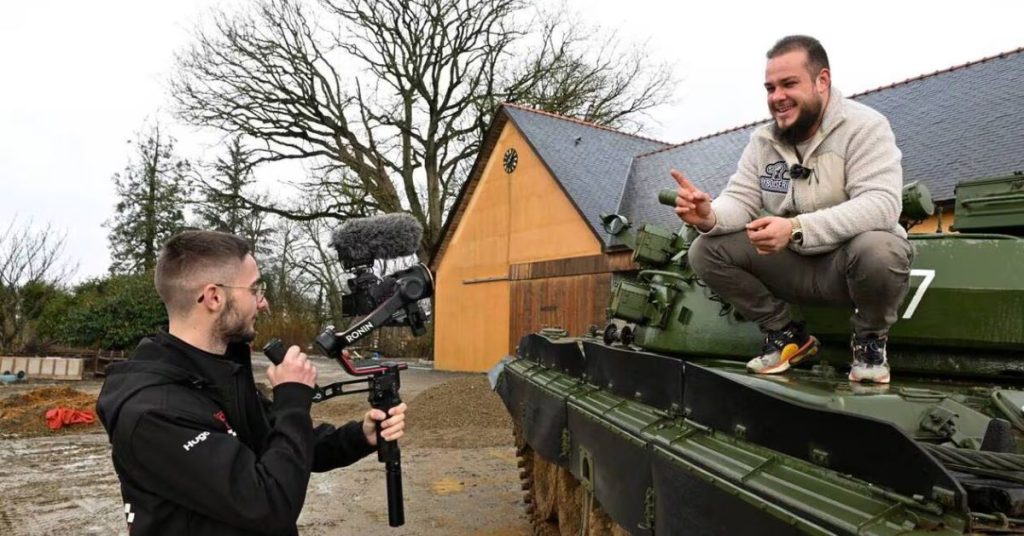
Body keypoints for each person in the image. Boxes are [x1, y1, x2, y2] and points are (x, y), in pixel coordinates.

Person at [96, 230, 407, 535]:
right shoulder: (153, 412)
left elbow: (279, 442)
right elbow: (268, 503)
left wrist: (360, 436)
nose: (263, 302)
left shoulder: (220, 372)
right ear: (214, 297)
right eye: (255, 289)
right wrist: (293, 400)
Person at [672, 35, 912, 384]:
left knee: (881, 249)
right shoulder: (763, 141)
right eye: (770, 88)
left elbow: (882, 205)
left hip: (847, 266)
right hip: (792, 266)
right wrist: (708, 215)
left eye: (788, 84)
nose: (777, 97)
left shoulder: (866, 127)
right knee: (706, 250)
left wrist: (797, 227)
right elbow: (741, 199)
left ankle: (869, 340)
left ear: (822, 81)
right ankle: (786, 335)